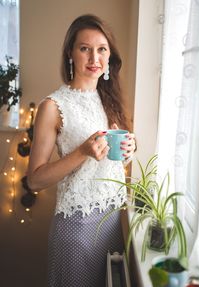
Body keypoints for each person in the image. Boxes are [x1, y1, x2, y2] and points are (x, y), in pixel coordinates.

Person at [27, 14, 136, 287]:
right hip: (76, 229)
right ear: (70, 54)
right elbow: (35, 180)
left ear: (109, 57)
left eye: (102, 49)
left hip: (113, 222)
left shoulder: (111, 100)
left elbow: (115, 158)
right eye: (84, 48)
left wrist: (130, 148)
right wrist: (82, 152)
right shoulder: (53, 106)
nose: (94, 58)